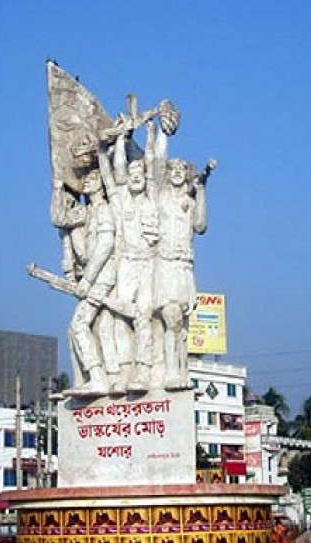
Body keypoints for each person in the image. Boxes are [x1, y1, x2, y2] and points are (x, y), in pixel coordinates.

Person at [147, 119, 209, 390]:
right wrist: (162, 132)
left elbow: (201, 226)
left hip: (184, 267)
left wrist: (202, 191)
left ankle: (179, 370)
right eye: (173, 169)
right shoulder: (160, 196)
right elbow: (158, 161)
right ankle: (170, 373)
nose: (176, 172)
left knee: (180, 325)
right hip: (164, 264)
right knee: (171, 316)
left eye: (181, 170)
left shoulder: (190, 201)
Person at [99, 125, 159, 391]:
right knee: (119, 318)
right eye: (132, 172)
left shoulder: (153, 198)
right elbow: (113, 174)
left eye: (140, 173)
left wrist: (151, 135)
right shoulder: (120, 198)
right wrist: (119, 140)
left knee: (144, 316)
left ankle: (144, 372)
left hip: (148, 264)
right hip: (126, 265)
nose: (135, 176)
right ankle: (123, 373)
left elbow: (154, 161)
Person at [67, 167, 119, 395]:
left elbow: (106, 245)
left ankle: (98, 377)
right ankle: (91, 377)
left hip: (103, 276)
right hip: (93, 275)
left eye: (90, 179)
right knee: (82, 328)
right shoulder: (88, 212)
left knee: (79, 324)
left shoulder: (104, 210)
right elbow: (85, 252)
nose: (85, 183)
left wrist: (87, 280)